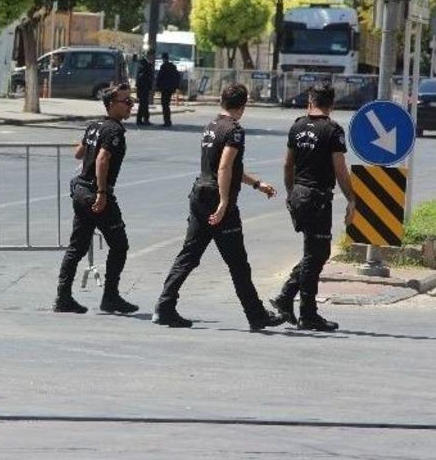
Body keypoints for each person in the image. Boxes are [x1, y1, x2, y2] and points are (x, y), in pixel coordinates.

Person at [152, 84, 284, 330]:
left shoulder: (212, 126)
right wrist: (224, 202)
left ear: (222, 101)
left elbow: (226, 167)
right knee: (238, 263)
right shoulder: (234, 130)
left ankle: (164, 306)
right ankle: (256, 315)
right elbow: (224, 167)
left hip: (200, 193)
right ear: (243, 105)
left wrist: (256, 184)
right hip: (217, 198)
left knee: (189, 255)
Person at [269, 82, 356, 331]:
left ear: (310, 101)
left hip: (299, 194)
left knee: (315, 253)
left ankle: (288, 299)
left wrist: (291, 194)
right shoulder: (333, 130)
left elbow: (287, 165)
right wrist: (352, 199)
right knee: (316, 254)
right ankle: (305, 312)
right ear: (332, 103)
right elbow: (340, 170)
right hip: (317, 198)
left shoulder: (297, 126)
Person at [54, 83, 138, 315]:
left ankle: (63, 297)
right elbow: (102, 160)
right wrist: (102, 193)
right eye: (126, 102)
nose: (130, 106)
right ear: (111, 104)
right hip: (95, 193)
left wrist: (91, 142)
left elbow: (79, 153)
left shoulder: (94, 126)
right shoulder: (114, 130)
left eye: (131, 101)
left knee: (77, 247)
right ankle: (110, 297)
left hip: (81, 191)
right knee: (119, 245)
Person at [155, 52, 180, 127]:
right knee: (167, 105)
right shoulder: (173, 66)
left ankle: (167, 121)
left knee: (164, 105)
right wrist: (175, 87)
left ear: (163, 58)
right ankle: (168, 120)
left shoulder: (163, 66)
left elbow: (160, 77)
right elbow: (177, 77)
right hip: (170, 89)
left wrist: (157, 86)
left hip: (164, 88)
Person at [135, 55, 153, 126]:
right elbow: (146, 80)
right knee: (144, 105)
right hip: (144, 89)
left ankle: (140, 120)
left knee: (142, 105)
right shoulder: (145, 69)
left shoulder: (141, 69)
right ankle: (145, 120)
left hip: (142, 89)